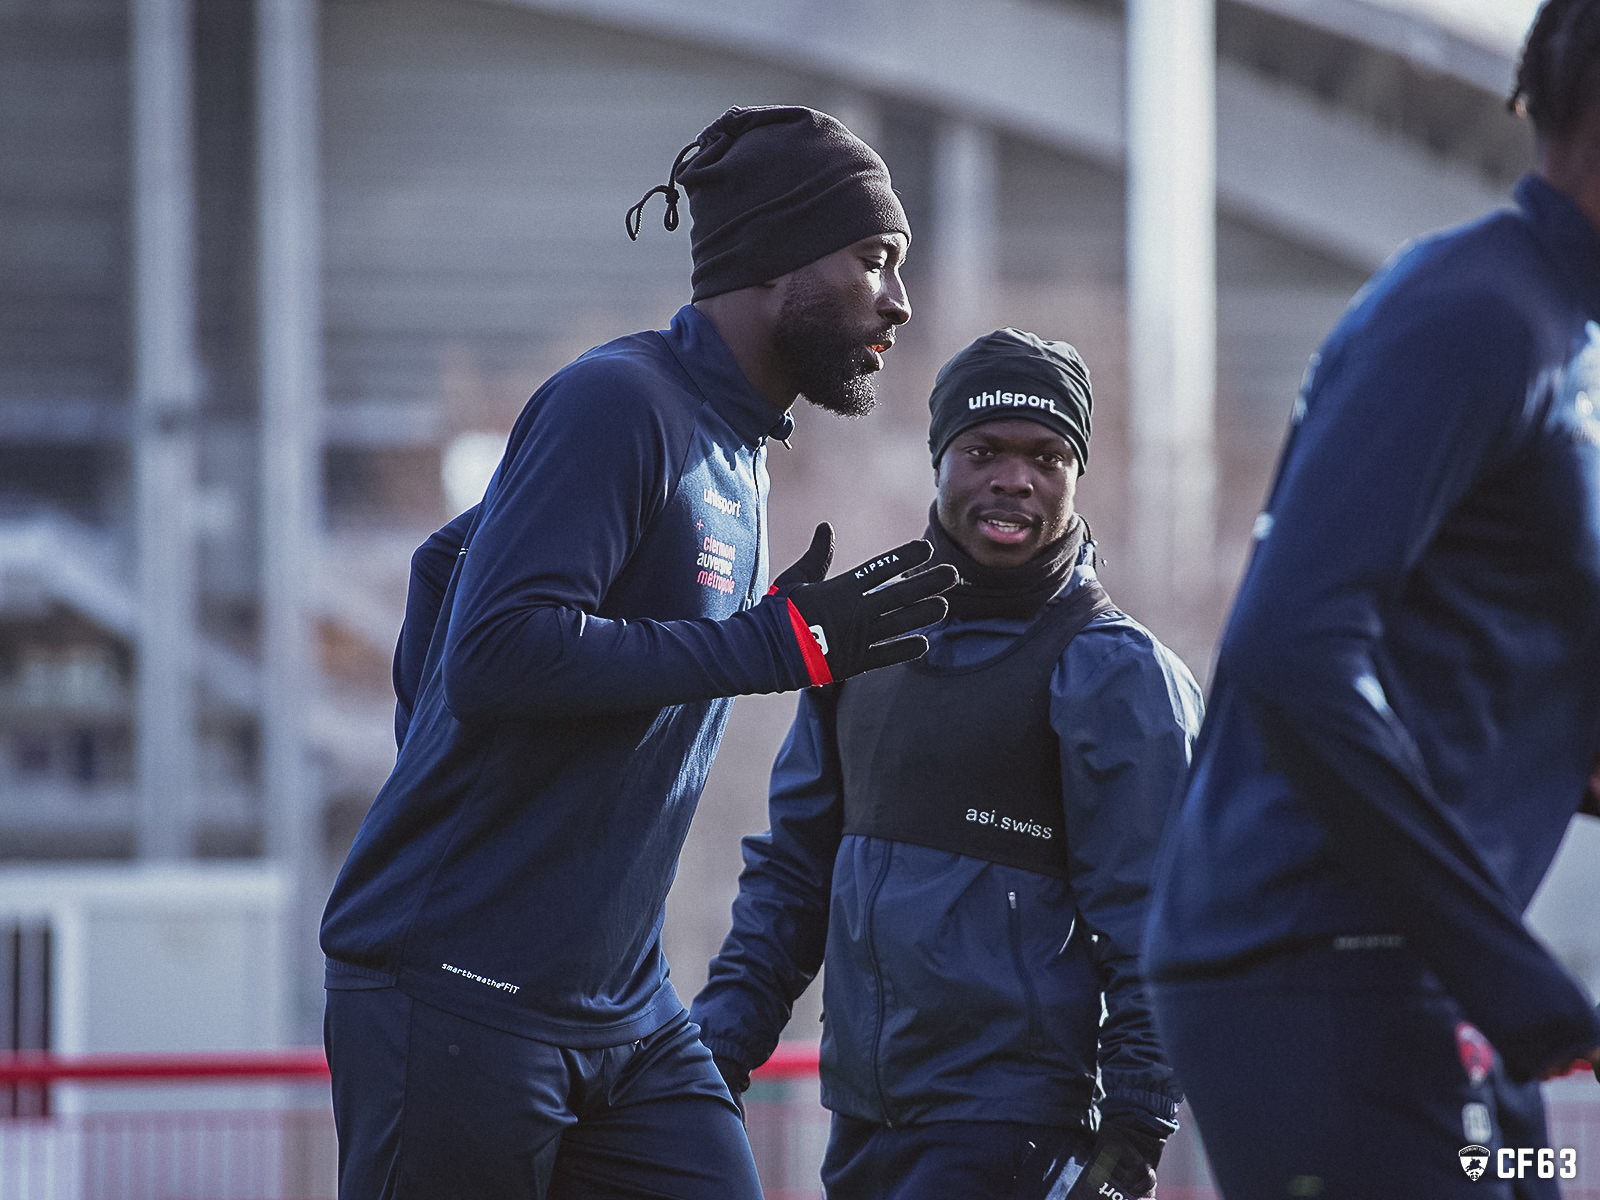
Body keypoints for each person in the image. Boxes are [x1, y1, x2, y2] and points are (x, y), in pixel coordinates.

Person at [318, 105, 958, 1200]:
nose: (897, 299)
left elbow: (446, 568)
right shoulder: (620, 402)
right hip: (458, 992)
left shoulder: (736, 451)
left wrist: (456, 768)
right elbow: (497, 651)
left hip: (622, 1013)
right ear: (776, 261)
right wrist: (769, 641)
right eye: (875, 260)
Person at [1143, 4, 1600, 1196]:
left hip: (1427, 989)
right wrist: (1521, 984)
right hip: (1320, 977)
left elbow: (1493, 664)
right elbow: (1292, 650)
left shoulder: (1564, 335)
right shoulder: (1476, 313)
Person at [691, 329, 1204, 1200]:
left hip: (1018, 1140)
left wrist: (1129, 1151)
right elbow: (791, 881)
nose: (1015, 479)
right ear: (939, 462)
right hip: (859, 1132)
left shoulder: (1118, 676)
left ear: (1075, 477)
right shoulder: (864, 642)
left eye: (1048, 457)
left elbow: (1160, 938)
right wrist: (709, 1064)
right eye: (984, 451)